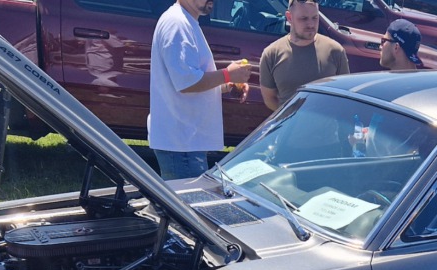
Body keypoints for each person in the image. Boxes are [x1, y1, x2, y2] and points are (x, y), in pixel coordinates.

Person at [149, 0, 251, 180]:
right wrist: (227, 74)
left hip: (185, 142)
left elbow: (189, 80)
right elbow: (187, 82)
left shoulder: (186, 21)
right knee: (187, 199)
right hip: (181, 145)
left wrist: (228, 84)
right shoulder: (177, 24)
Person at [259, 0, 350, 111]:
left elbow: (344, 96)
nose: (311, 24)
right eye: (304, 18)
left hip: (325, 121)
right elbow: (269, 98)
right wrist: (290, 115)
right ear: (289, 17)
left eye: (315, 18)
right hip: (290, 121)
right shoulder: (271, 54)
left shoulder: (335, 51)